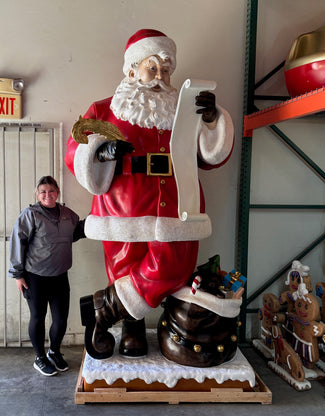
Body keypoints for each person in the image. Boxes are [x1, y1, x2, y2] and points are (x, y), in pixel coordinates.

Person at [65, 29, 234, 360]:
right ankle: (132, 328)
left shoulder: (184, 110)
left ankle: (106, 307)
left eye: (166, 70)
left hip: (175, 203)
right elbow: (75, 146)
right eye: (152, 67)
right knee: (123, 266)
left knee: (175, 264)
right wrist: (100, 151)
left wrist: (212, 118)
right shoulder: (105, 109)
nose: (160, 76)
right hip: (121, 206)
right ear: (131, 70)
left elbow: (210, 155)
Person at [9, 176, 85, 376]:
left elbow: (76, 232)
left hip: (60, 275)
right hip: (35, 277)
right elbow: (18, 243)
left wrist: (100, 218)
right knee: (38, 317)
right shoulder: (30, 214)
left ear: (57, 192)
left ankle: (54, 352)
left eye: (51, 191)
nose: (47, 195)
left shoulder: (68, 214)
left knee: (60, 320)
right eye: (43, 192)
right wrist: (18, 275)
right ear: (37, 194)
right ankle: (40, 358)